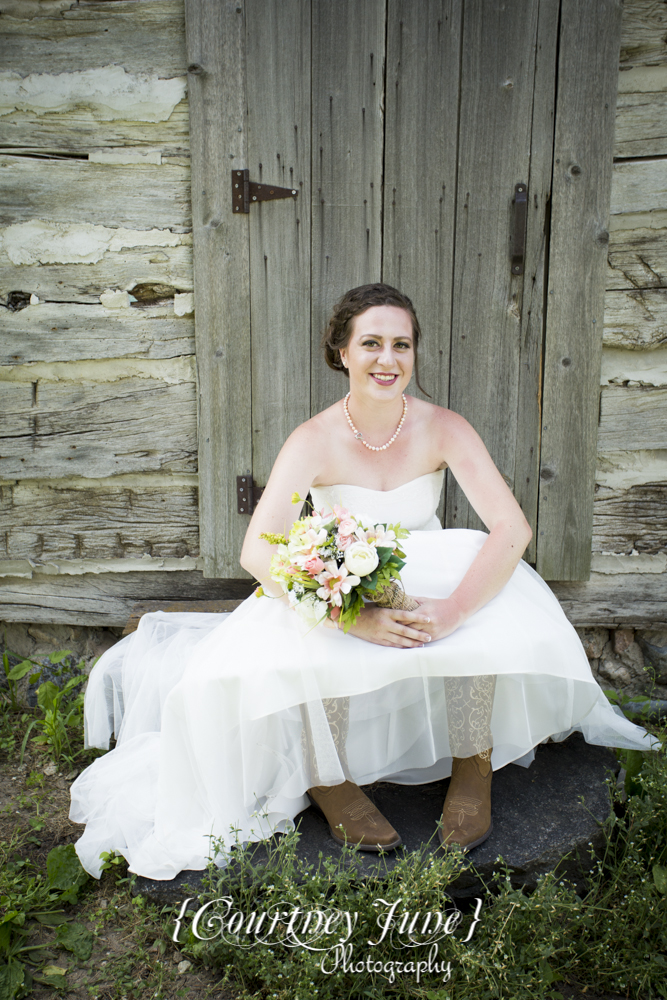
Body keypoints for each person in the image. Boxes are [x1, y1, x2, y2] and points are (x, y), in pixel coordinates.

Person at [70, 283, 658, 880]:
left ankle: (473, 764)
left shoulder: (444, 428)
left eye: (401, 345)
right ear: (342, 352)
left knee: (479, 594)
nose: (388, 359)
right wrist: (350, 614)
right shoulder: (313, 440)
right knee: (300, 639)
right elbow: (258, 550)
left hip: (424, 571)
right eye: (371, 343)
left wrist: (452, 609)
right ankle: (331, 780)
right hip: (344, 584)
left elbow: (511, 527)